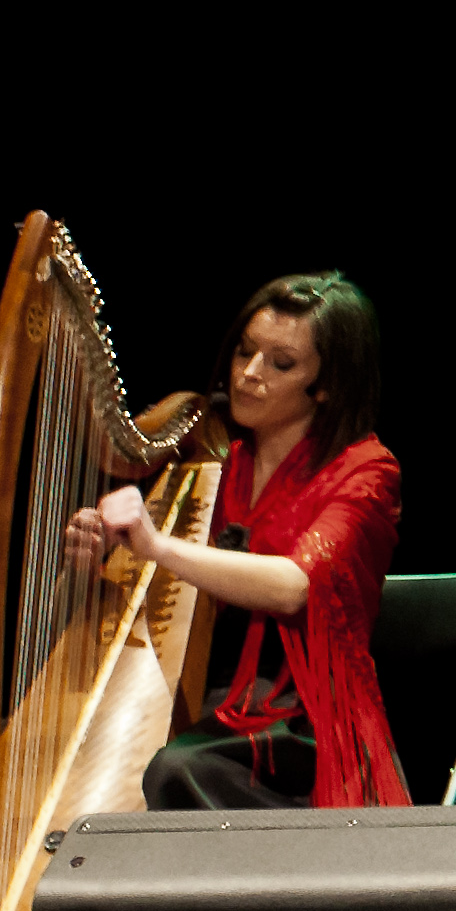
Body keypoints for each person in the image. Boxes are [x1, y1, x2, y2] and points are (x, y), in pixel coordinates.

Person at [65, 271, 409, 810]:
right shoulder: (212, 461)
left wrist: (156, 546)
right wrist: (92, 562)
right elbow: (151, 605)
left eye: (281, 363)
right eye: (245, 352)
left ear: (330, 384)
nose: (249, 374)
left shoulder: (365, 471)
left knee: (178, 770)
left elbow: (294, 586)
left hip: (300, 720)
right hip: (204, 697)